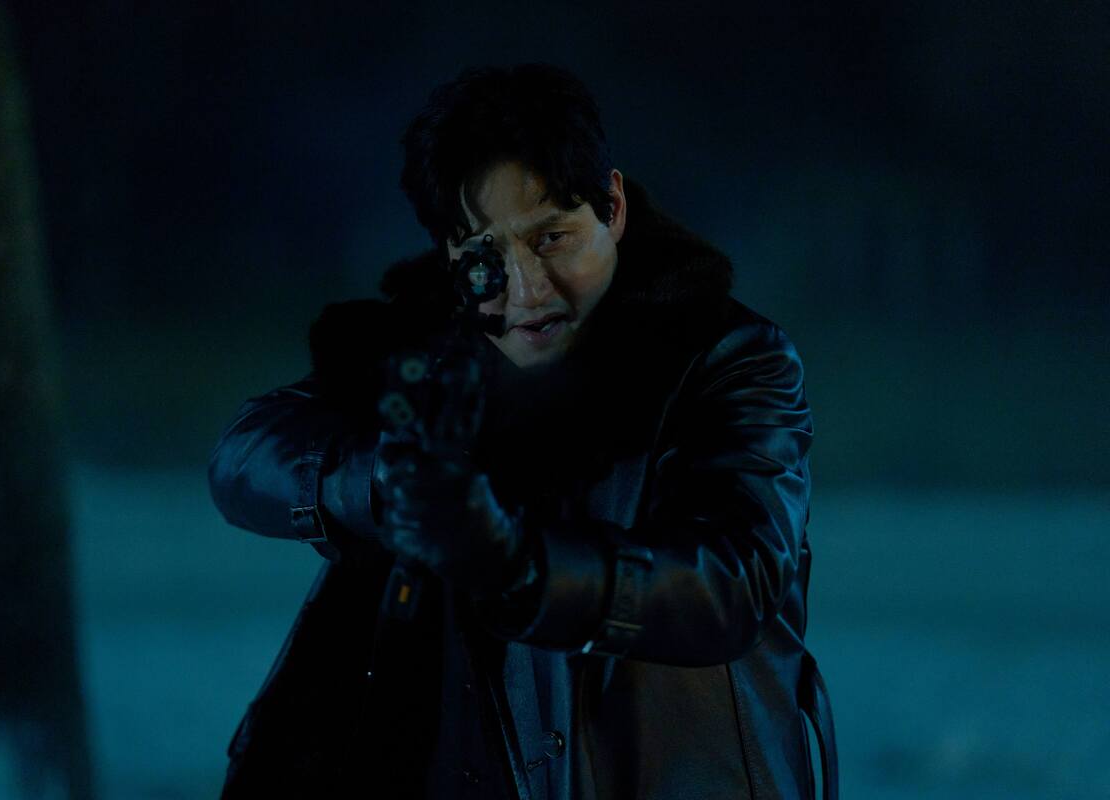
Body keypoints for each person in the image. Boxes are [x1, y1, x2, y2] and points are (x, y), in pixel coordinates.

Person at [207, 63, 837, 799]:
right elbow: (244, 454)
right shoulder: (437, 357)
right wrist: (384, 483)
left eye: (553, 239)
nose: (527, 291)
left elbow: (731, 581)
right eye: (484, 256)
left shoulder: (731, 361)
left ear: (612, 208)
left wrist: (516, 564)